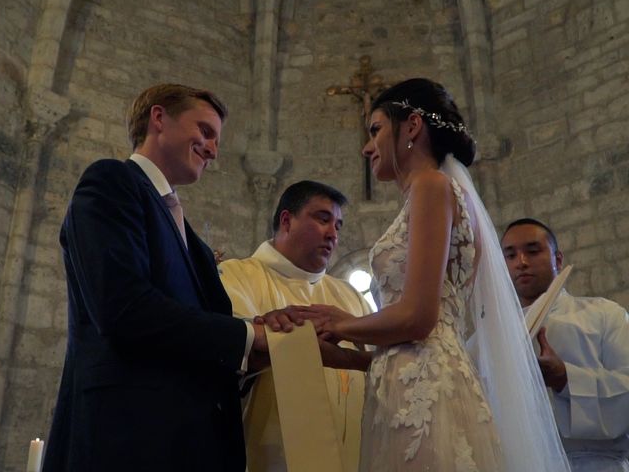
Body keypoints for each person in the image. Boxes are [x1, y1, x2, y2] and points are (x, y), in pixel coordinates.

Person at [273, 78, 571, 471]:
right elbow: (426, 335)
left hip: (425, 393)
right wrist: (349, 358)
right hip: (415, 380)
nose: (366, 147)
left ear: (412, 126)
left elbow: (419, 317)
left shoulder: (431, 186)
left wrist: (341, 323)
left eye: (375, 129)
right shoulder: (440, 196)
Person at [42, 84, 268, 472]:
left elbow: (190, 327)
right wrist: (248, 338)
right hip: (124, 437)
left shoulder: (189, 238)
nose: (213, 149)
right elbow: (124, 308)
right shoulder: (111, 181)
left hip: (184, 443)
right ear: (159, 118)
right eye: (205, 131)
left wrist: (263, 338)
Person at [220, 180, 372, 472]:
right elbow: (230, 355)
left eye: (338, 226)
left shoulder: (350, 297)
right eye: (323, 219)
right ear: (287, 221)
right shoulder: (236, 277)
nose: (333, 234)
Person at [502, 218, 629, 471]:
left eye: (533, 250)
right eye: (510, 255)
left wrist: (565, 379)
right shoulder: (491, 338)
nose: (521, 262)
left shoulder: (604, 314)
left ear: (558, 259)